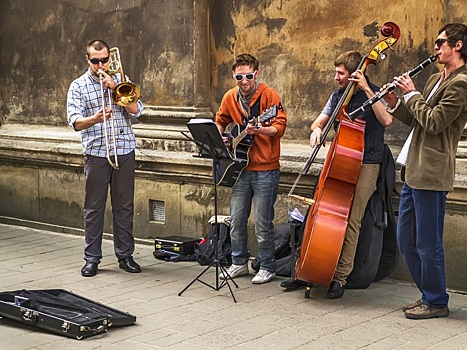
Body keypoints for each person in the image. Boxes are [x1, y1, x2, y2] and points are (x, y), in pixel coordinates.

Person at [383, 23, 467, 319]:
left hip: (432, 171)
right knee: (407, 239)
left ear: (457, 45)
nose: (434, 47)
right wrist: (396, 102)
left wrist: (411, 93)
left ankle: (436, 301)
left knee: (428, 242)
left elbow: (434, 123)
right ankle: (428, 295)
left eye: (440, 42)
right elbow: (417, 118)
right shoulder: (434, 79)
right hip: (414, 169)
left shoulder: (461, 83)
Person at [308, 51, 393, 298]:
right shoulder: (337, 97)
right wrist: (316, 131)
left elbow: (386, 119)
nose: (336, 77)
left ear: (356, 74)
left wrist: (367, 89)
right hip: (341, 162)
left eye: (341, 73)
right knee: (326, 214)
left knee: (352, 219)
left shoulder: (376, 93)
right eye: (336, 72)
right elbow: (318, 123)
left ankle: (341, 277)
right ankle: (315, 265)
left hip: (367, 163)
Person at [67, 39, 144, 277]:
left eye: (104, 60)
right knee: (94, 208)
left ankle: (125, 255)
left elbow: (137, 112)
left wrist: (115, 87)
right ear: (87, 59)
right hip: (97, 152)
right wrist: (96, 119)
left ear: (110, 58)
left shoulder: (121, 80)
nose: (100, 65)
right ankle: (92, 258)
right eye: (95, 61)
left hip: (124, 150)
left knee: (124, 206)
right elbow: (75, 122)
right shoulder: (78, 86)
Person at [215, 53, 287, 284]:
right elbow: (220, 120)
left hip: (266, 168)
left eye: (248, 76)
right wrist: (223, 138)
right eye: (239, 76)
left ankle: (267, 266)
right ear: (234, 75)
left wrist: (260, 130)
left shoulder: (269, 96)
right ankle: (239, 263)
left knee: (262, 221)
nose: (244, 80)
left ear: (256, 74)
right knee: (236, 219)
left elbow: (280, 127)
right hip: (240, 166)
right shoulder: (230, 97)